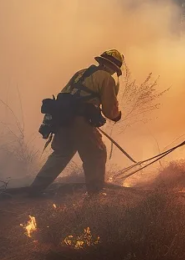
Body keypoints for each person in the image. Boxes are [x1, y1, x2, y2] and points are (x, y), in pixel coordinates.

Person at [28, 48, 123, 196]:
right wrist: (117, 116)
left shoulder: (80, 73)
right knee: (96, 154)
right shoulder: (106, 78)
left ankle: (35, 188)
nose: (113, 73)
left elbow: (64, 95)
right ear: (111, 67)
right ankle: (95, 197)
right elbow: (109, 110)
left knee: (61, 154)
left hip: (64, 119)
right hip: (82, 122)